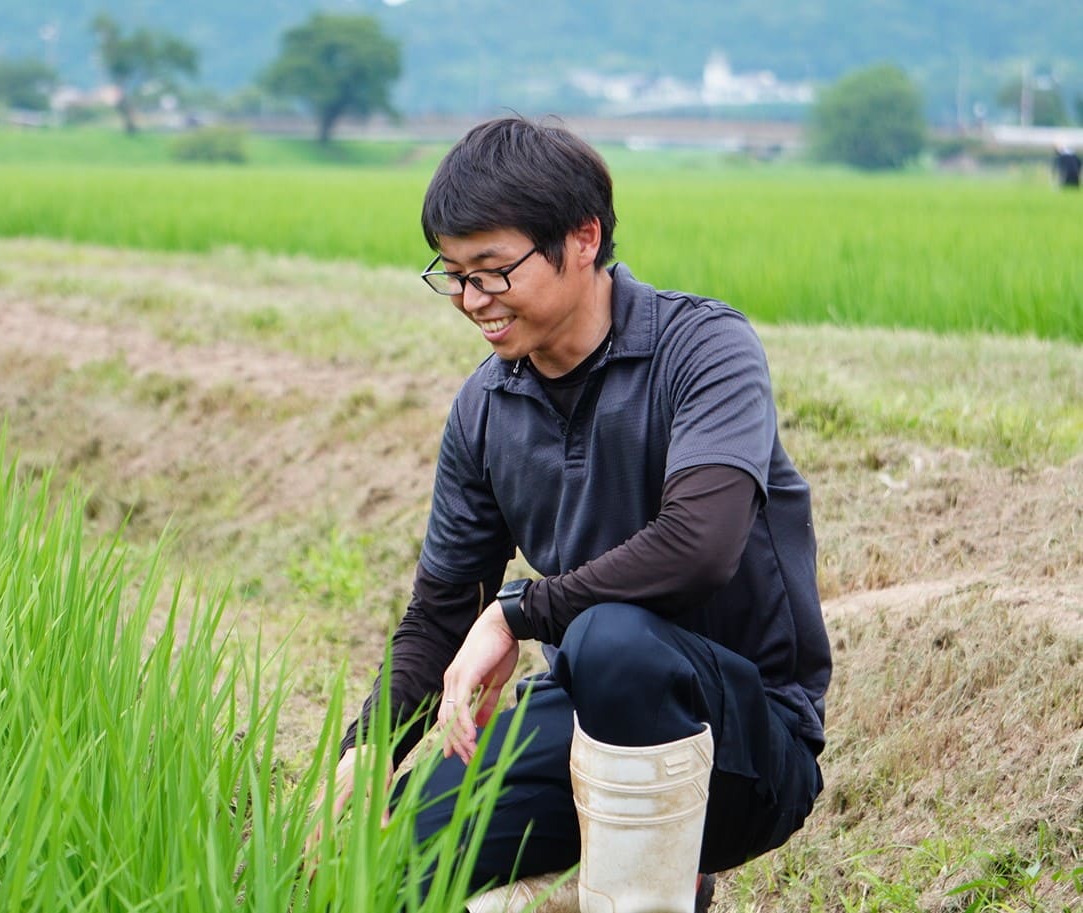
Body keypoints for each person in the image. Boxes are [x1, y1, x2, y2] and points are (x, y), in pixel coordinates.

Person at [322, 117, 830, 913]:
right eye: (452, 274)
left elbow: (700, 545)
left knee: (614, 638)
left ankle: (666, 886)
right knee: (384, 874)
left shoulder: (703, 350)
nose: (470, 300)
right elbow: (443, 607)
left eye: (493, 271)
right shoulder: (485, 407)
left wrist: (519, 610)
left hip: (745, 738)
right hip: (583, 715)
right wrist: (368, 746)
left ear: (583, 237)